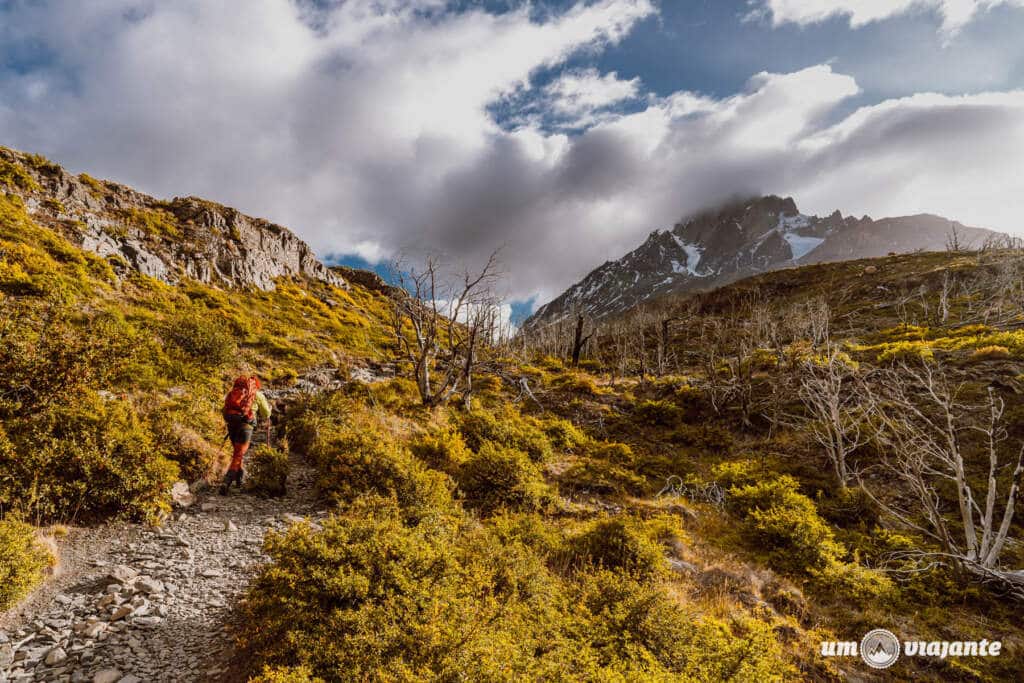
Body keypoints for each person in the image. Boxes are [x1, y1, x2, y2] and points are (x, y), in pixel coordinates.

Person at [219, 374, 271, 495]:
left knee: (238, 453)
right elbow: (266, 414)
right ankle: (226, 482)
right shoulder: (257, 395)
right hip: (246, 426)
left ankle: (239, 480)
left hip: (232, 424)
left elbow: (224, 410)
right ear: (256, 385)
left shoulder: (233, 393)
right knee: (238, 454)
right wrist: (270, 409)